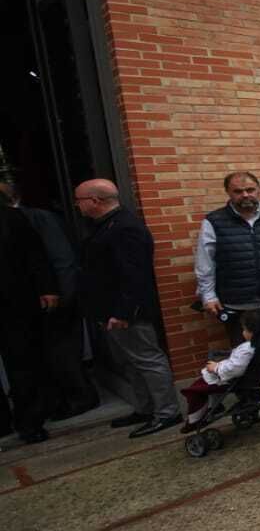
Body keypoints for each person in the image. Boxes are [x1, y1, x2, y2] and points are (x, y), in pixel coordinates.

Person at [75, 179, 181, 438]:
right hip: (109, 311)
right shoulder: (105, 226)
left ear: (95, 201)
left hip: (127, 313)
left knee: (147, 360)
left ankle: (167, 412)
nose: (77, 206)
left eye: (79, 200)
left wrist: (124, 312)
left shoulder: (125, 227)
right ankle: (146, 408)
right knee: (130, 362)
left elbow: (135, 275)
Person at [0, 182, 98, 420]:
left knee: (64, 352)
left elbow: (62, 258)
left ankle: (80, 398)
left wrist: (61, 296)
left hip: (58, 300)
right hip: (32, 305)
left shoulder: (37, 217)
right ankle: (53, 402)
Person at [193, 171, 260, 346]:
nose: (245, 195)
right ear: (228, 192)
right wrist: (208, 295)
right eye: (238, 191)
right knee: (243, 354)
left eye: (250, 190)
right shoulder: (213, 222)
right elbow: (205, 262)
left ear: (259, 189)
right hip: (237, 306)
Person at [0, 200, 58, 443]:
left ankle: (30, 423)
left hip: (14, 302)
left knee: (23, 363)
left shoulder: (11, 218)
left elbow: (35, 255)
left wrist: (47, 288)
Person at [180, 309, 260, 430]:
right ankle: (214, 407)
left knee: (193, 391)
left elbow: (235, 368)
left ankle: (194, 420)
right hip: (229, 375)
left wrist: (216, 367)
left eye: (244, 329)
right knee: (204, 389)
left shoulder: (247, 349)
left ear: (252, 332)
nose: (242, 332)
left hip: (225, 379)